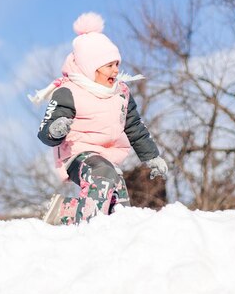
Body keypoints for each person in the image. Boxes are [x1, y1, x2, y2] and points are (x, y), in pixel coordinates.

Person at [31, 12, 168, 225]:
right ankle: (84, 223)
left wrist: (152, 156)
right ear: (90, 66)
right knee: (102, 172)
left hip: (107, 157)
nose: (116, 70)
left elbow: (134, 126)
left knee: (118, 202)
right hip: (78, 154)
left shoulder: (121, 93)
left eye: (117, 64)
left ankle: (76, 215)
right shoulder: (69, 91)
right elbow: (45, 131)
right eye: (109, 65)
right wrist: (56, 129)